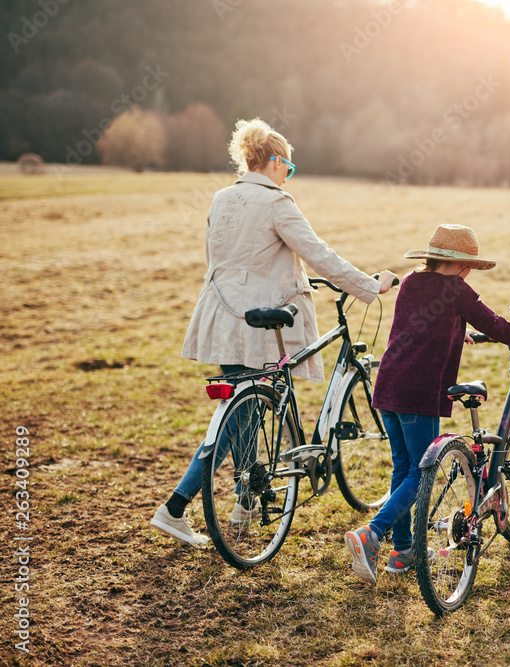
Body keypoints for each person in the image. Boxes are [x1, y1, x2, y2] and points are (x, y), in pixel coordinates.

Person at [150, 118, 397, 546]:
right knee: (237, 420)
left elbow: (222, 258)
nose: (289, 174)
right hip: (262, 322)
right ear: (274, 161)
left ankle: (245, 503)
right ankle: (175, 507)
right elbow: (319, 254)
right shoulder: (277, 202)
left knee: (246, 414)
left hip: (223, 317)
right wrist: (368, 286)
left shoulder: (222, 198)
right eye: (290, 167)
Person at [343, 224, 510, 584]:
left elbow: (415, 323)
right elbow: (495, 324)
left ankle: (403, 553)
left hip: (388, 385)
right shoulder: (457, 291)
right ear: (464, 267)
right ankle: (371, 534)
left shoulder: (412, 281)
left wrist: (453, 327)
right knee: (420, 474)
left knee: (404, 469)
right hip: (419, 392)